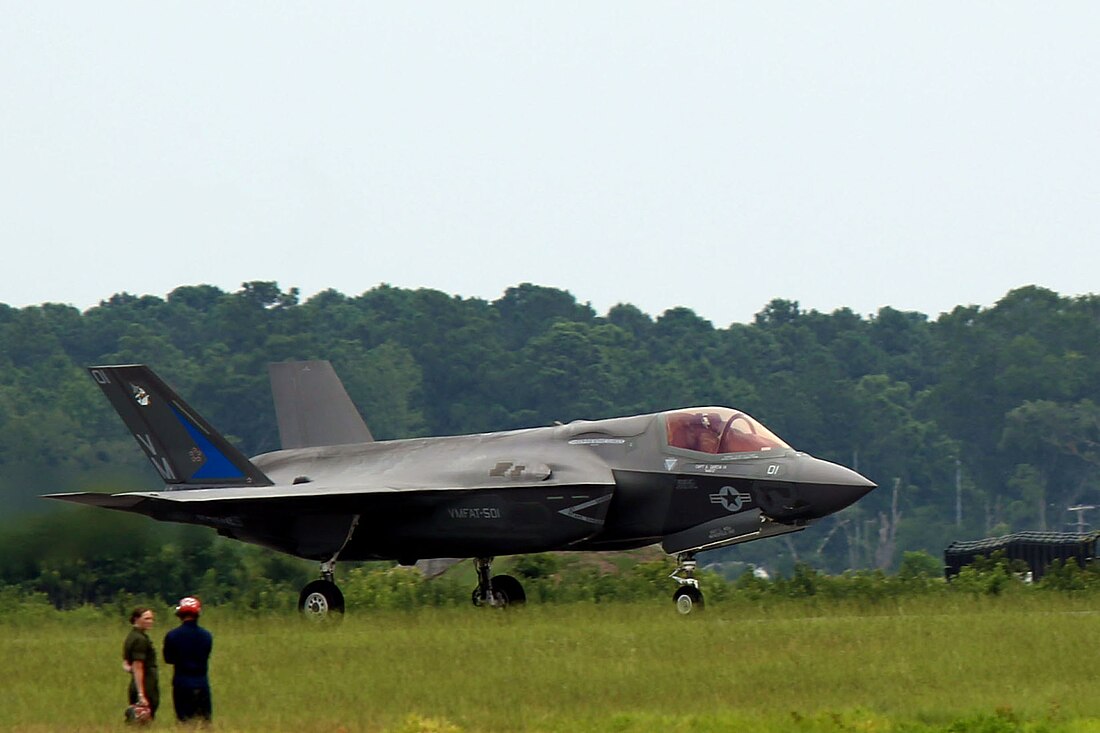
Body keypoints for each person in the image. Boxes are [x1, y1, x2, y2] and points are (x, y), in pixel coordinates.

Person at [162, 596, 214, 724]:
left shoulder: (172, 635)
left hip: (182, 683)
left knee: (184, 721)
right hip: (202, 682)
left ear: (180, 614)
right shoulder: (206, 635)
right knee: (204, 722)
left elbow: (168, 659)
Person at [123, 607, 159, 721]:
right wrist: (141, 694)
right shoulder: (140, 640)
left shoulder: (132, 636)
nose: (150, 621)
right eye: (146, 618)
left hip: (137, 681)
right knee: (144, 717)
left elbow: (126, 663)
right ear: (136, 619)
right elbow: (138, 666)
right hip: (145, 683)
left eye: (151, 619)